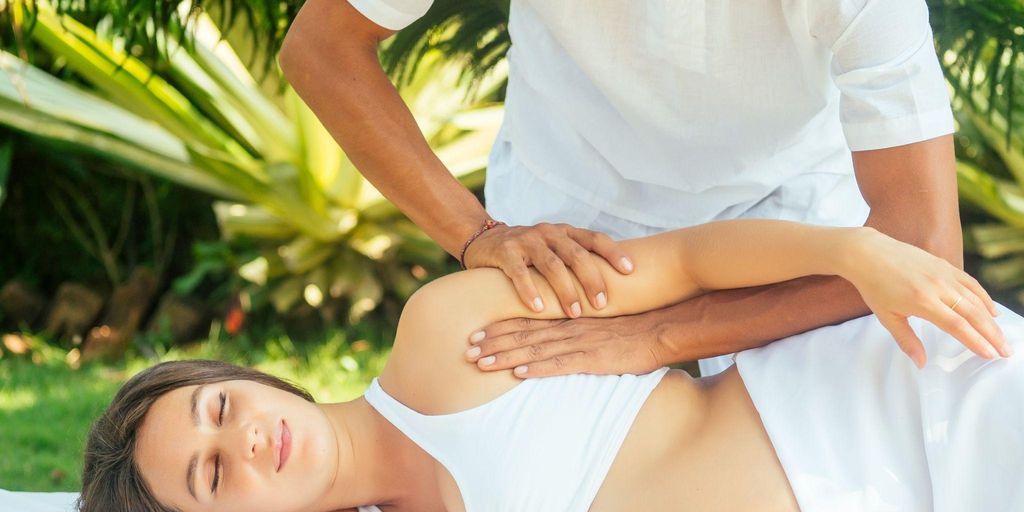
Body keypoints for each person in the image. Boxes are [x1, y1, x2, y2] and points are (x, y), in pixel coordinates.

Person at [1, 217, 1021, 512]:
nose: (245, 440)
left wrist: (855, 253)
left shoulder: (445, 332)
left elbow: (690, 260)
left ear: (248, 378)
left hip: (922, 427)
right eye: (211, 475)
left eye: (221, 409)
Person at [279, 0, 963, 379]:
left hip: (791, 218)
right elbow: (322, 46)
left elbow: (923, 248)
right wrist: (479, 235)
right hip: (569, 223)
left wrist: (659, 335)